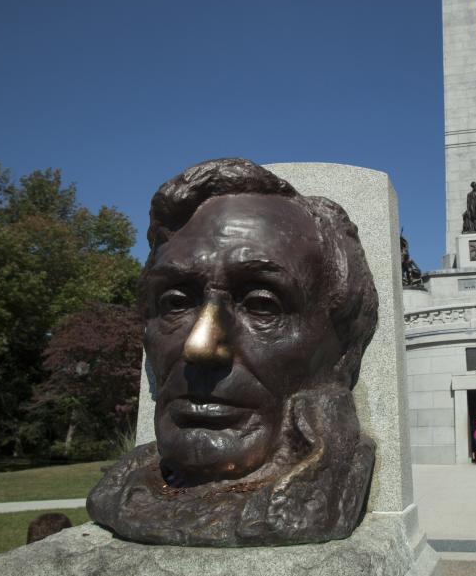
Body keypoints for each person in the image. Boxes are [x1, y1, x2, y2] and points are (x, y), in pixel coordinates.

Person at [88, 158, 379, 547]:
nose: (200, 346)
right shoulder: (120, 491)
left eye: (262, 304)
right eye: (176, 302)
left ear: (343, 350)